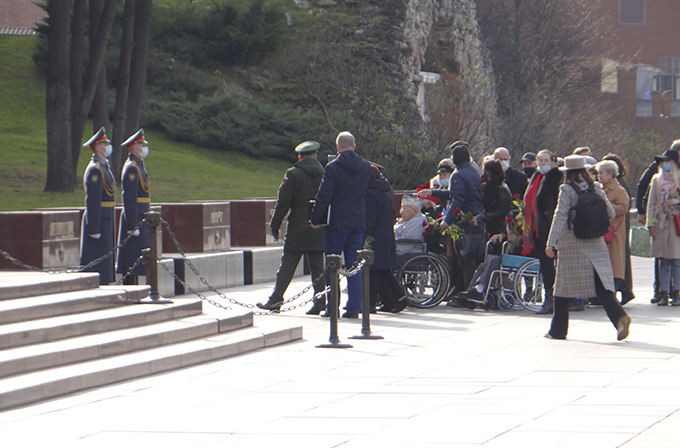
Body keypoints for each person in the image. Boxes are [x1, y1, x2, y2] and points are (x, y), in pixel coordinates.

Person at [545, 155, 631, 341]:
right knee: (602, 285)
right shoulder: (596, 187)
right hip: (596, 241)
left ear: (567, 173)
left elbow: (560, 216)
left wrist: (551, 242)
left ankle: (558, 330)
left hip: (572, 242)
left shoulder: (566, 189)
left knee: (561, 286)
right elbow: (610, 212)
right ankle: (619, 317)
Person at [310, 131, 374, 319]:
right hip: (357, 222)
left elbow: (324, 196)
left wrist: (315, 219)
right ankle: (354, 307)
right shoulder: (365, 167)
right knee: (353, 266)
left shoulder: (333, 168)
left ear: (338, 147)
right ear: (354, 146)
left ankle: (332, 308)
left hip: (337, 223)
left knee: (332, 266)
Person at [257, 141, 326, 314]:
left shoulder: (293, 174)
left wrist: (275, 223)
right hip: (318, 224)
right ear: (315, 155)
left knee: (287, 265)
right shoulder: (325, 174)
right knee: (318, 266)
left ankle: (275, 300)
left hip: (297, 225)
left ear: (299, 157)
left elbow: (283, 202)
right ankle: (321, 302)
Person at [418, 141, 484, 292]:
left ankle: (470, 293)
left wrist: (447, 221)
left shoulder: (458, 174)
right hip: (475, 218)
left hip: (464, 222)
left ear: (455, 159)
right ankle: (469, 290)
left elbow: (457, 200)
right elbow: (455, 193)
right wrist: (432, 192)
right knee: (469, 258)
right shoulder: (474, 172)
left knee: (465, 259)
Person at [636, 140, 680, 303]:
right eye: (663, 162)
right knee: (663, 260)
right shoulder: (656, 179)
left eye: (668, 162)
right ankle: (663, 292)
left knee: (676, 260)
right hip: (660, 224)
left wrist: (676, 202)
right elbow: (651, 203)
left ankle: (676, 292)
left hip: (676, 223)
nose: (665, 165)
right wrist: (650, 224)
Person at [364, 165, 408, 313]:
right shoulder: (384, 191)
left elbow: (370, 219)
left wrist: (365, 234)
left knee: (375, 270)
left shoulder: (370, 194)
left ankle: (371, 304)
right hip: (385, 235)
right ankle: (393, 301)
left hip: (375, 236)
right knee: (382, 270)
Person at [526, 150, 562, 314]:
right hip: (536, 227)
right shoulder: (536, 176)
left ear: (553, 161)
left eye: (546, 160)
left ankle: (552, 299)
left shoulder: (557, 177)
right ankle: (549, 298)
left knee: (550, 265)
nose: (542, 163)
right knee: (545, 265)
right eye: (540, 160)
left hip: (549, 226)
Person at [80, 127, 116, 285]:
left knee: (105, 254)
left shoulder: (103, 167)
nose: (108, 145)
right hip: (99, 218)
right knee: (97, 254)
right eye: (105, 143)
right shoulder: (95, 170)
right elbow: (92, 200)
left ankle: (105, 280)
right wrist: (94, 227)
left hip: (106, 216)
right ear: (98, 147)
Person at [116, 129, 151, 285]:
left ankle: (138, 286)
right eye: (141, 144)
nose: (144, 147)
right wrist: (132, 224)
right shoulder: (132, 167)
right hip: (135, 216)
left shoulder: (138, 165)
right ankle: (130, 286)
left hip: (141, 215)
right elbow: (129, 197)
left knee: (139, 254)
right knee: (132, 255)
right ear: (134, 147)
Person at [602, 153, 635, 305]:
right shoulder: (605, 187)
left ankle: (620, 291)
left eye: (601, 172)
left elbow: (623, 208)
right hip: (611, 230)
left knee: (616, 264)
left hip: (615, 230)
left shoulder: (619, 187)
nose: (598, 175)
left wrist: (605, 206)